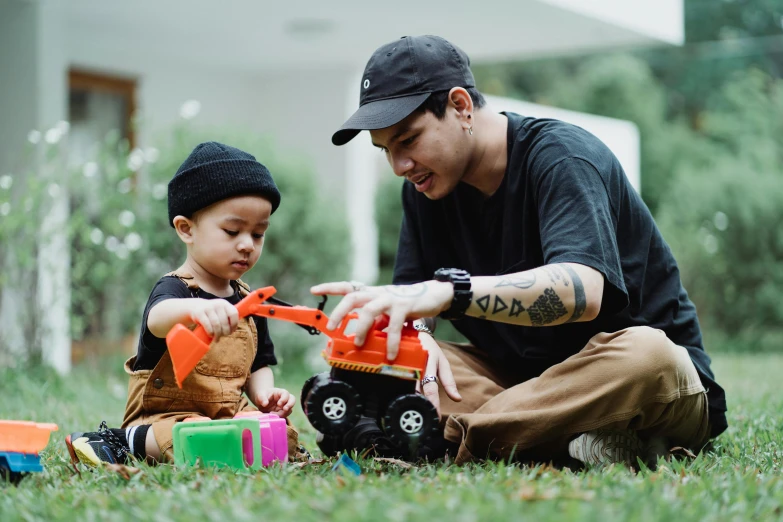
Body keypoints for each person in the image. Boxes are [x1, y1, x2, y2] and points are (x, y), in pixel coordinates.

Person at [313, 35, 728, 466]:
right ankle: (568, 441)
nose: (399, 166)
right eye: (386, 150)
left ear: (460, 106)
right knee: (391, 366)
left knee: (649, 355)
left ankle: (450, 439)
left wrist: (451, 292)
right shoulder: (426, 189)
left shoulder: (562, 157)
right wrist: (409, 333)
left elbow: (580, 293)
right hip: (522, 386)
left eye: (408, 140)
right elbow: (416, 309)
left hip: (636, 381)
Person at [65, 141, 301, 467]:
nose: (247, 244)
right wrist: (194, 311)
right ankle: (119, 441)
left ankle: (229, 447)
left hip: (226, 413)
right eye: (232, 231)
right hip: (165, 415)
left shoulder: (248, 300)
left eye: (258, 234)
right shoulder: (175, 289)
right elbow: (157, 319)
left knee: (280, 435)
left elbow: (259, 362)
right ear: (186, 229)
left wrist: (264, 396)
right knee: (194, 435)